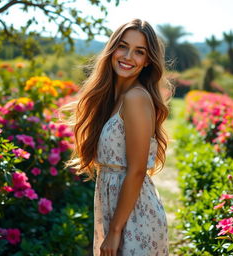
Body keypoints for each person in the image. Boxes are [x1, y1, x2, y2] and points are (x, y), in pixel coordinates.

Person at [67, 18, 174, 256]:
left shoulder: (135, 98)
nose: (127, 56)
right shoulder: (114, 99)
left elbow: (136, 170)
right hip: (116, 208)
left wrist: (115, 231)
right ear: (112, 48)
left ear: (147, 61)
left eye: (139, 52)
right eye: (123, 46)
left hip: (135, 217)